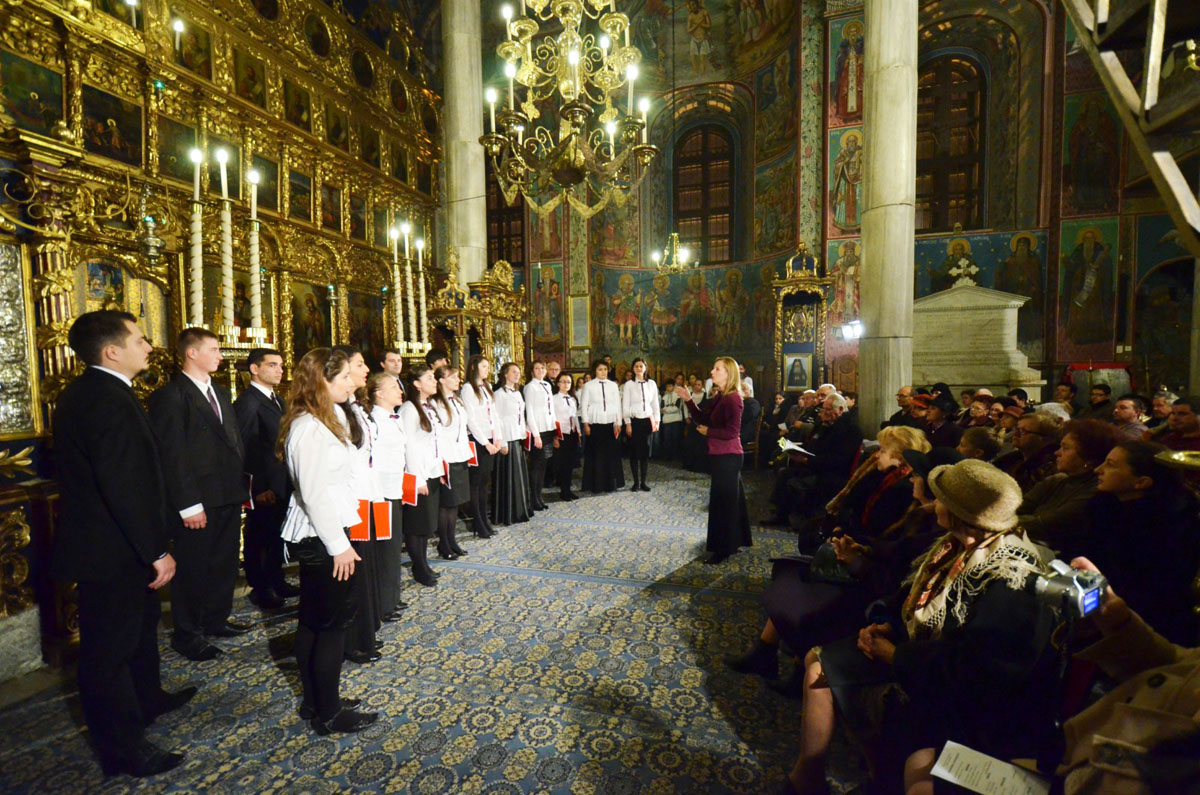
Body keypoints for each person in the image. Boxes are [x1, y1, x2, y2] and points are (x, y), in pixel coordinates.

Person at [787, 460, 1055, 793]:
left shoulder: (1011, 577)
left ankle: (876, 778)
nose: (932, 502)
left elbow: (979, 668)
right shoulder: (956, 541)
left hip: (962, 696)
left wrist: (896, 656)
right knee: (819, 661)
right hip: (920, 653)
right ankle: (808, 776)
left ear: (958, 512)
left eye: (941, 497)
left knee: (835, 673)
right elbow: (917, 599)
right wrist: (887, 626)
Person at [53, 311, 192, 776]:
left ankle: (148, 698)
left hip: (118, 546)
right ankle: (123, 749)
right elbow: (124, 485)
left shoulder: (107, 392)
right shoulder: (104, 399)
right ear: (112, 351)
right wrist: (155, 551)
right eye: (139, 338)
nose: (149, 345)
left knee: (138, 630)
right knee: (108, 651)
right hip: (111, 552)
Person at [729, 431, 945, 698]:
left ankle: (795, 668)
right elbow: (861, 511)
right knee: (792, 573)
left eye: (883, 451)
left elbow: (890, 550)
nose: (877, 454)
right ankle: (764, 651)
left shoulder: (908, 500)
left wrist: (854, 547)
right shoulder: (887, 480)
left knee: (806, 589)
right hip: (863, 557)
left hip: (874, 580)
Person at [278, 347, 378, 735]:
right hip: (323, 535)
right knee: (330, 627)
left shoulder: (324, 417)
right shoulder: (309, 427)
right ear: (323, 382)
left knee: (314, 622)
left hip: (327, 529)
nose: (351, 382)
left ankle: (315, 699)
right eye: (343, 378)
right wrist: (339, 545)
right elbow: (315, 493)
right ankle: (330, 712)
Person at [147, 328, 247, 662]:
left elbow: (230, 442)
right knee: (193, 568)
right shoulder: (172, 395)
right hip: (198, 500)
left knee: (223, 562)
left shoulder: (218, 391)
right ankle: (187, 634)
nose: (221, 355)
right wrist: (189, 504)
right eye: (214, 349)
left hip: (227, 493)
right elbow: (172, 455)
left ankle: (216, 620)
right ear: (192, 353)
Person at [1088, 441, 1200, 644]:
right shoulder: (1107, 507)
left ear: (1141, 482)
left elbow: (1147, 592)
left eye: (1111, 464)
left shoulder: (1166, 527)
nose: (1098, 469)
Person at [234, 347, 296, 611]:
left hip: (281, 481)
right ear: (254, 369)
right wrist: (258, 486)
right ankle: (261, 588)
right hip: (264, 485)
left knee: (276, 536)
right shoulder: (248, 402)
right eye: (272, 365)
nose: (279, 370)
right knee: (259, 537)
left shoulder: (278, 400)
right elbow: (246, 446)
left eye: (281, 365)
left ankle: (276, 579)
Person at [676, 357, 751, 564]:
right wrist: (688, 399)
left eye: (717, 369)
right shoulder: (721, 396)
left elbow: (732, 432)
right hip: (721, 454)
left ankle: (723, 550)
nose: (712, 371)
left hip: (729, 456)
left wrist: (709, 432)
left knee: (723, 503)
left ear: (728, 373)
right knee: (730, 501)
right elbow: (702, 418)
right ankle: (734, 541)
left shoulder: (733, 399)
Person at [333, 347, 381, 666]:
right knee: (353, 574)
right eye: (360, 364)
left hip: (365, 495)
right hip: (351, 500)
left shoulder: (355, 406)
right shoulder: (336, 410)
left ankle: (365, 634)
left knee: (365, 569)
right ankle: (352, 642)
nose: (366, 370)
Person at [1019, 418, 1119, 557]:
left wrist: (1004, 524)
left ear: (1088, 457)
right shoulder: (1057, 480)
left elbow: (1048, 524)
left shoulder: (1096, 489)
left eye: (1065, 448)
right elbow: (1018, 507)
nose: (1057, 453)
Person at [765, 393, 864, 528]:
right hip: (815, 465)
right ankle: (781, 515)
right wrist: (796, 451)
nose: (824, 413)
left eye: (828, 410)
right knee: (784, 473)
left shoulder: (851, 429)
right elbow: (813, 446)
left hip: (833, 473)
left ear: (840, 409)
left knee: (795, 481)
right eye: (823, 409)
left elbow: (839, 460)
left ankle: (808, 521)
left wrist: (807, 461)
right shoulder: (825, 424)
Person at [365, 373, 408, 623]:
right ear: (379, 393)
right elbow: (374, 460)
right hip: (381, 493)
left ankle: (392, 596)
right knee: (385, 549)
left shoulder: (395, 417)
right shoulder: (374, 420)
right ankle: (383, 603)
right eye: (393, 387)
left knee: (393, 547)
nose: (399, 390)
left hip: (395, 490)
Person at [398, 365, 442, 585]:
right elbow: (409, 447)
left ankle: (424, 563)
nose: (435, 381)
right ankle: (419, 567)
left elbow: (433, 441)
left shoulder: (429, 405)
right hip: (418, 475)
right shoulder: (408, 409)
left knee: (426, 524)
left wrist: (440, 470)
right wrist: (418, 479)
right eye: (430, 378)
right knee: (417, 525)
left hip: (431, 471)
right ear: (416, 383)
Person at [461, 355, 503, 538]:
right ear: (474, 367)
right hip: (479, 442)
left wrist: (498, 437)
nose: (487, 369)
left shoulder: (486, 387)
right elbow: (471, 418)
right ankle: (477, 522)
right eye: (484, 366)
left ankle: (484, 521)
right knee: (476, 483)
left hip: (490, 440)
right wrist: (484, 443)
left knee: (485, 483)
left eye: (488, 366)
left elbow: (493, 414)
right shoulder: (468, 388)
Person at [432, 365, 471, 560]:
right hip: (446, 458)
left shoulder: (457, 400)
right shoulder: (435, 403)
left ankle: (452, 539)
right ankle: (443, 543)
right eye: (453, 377)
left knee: (455, 503)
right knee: (445, 503)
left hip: (460, 455)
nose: (457, 380)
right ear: (441, 380)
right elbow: (437, 435)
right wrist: (440, 462)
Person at [493, 362, 533, 523]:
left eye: (519, 372)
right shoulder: (499, 394)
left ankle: (521, 508)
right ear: (505, 374)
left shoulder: (517, 393)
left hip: (517, 436)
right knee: (508, 477)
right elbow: (497, 419)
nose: (517, 375)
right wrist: (501, 441)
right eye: (514, 372)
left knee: (519, 475)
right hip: (506, 438)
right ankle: (508, 513)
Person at [580, 359, 625, 492]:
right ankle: (596, 485)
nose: (603, 372)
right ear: (595, 371)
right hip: (595, 423)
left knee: (611, 454)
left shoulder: (613, 385)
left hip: (610, 423)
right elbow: (583, 406)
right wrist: (586, 424)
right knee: (596, 454)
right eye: (600, 369)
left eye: (605, 369)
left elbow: (617, 404)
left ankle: (611, 484)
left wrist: (619, 422)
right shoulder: (588, 386)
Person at [997, 411, 1063, 493]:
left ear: (1044, 438)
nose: (1015, 434)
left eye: (1023, 431)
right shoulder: (1011, 459)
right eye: (1016, 429)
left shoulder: (1048, 467)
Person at [622, 358, 660, 491]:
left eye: (641, 366)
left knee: (644, 453)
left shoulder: (652, 384)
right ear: (633, 369)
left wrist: (657, 421)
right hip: (634, 421)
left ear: (645, 368)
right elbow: (625, 405)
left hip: (647, 421)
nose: (639, 368)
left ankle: (643, 482)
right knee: (634, 453)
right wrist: (627, 423)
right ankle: (635, 482)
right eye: (636, 366)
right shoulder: (629, 385)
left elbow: (655, 404)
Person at [523, 360, 556, 510]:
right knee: (536, 466)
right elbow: (529, 412)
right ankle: (533, 498)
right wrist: (535, 434)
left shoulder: (548, 385)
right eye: (537, 368)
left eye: (543, 368)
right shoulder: (530, 387)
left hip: (548, 428)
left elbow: (551, 408)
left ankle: (539, 496)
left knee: (543, 465)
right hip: (538, 430)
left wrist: (554, 428)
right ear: (532, 371)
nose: (540, 370)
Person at [552, 371, 581, 500]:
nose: (566, 384)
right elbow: (552, 418)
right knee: (562, 464)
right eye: (563, 381)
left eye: (568, 382)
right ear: (558, 383)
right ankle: (563, 491)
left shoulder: (572, 399)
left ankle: (568, 490)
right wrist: (555, 437)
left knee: (570, 464)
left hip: (572, 433)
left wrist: (578, 432)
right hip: (561, 434)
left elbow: (574, 417)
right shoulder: (554, 399)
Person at [659, 373, 688, 461]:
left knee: (675, 439)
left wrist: (667, 410)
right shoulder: (664, 397)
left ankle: (676, 456)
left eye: (670, 386)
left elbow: (676, 408)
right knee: (667, 439)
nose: (669, 388)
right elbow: (661, 408)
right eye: (667, 386)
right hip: (667, 421)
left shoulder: (678, 395)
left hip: (676, 420)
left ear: (673, 386)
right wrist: (666, 409)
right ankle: (668, 456)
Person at [739, 381, 761, 450]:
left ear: (750, 391)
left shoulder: (753, 402)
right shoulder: (739, 402)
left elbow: (751, 415)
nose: (743, 391)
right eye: (741, 389)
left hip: (747, 431)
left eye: (745, 389)